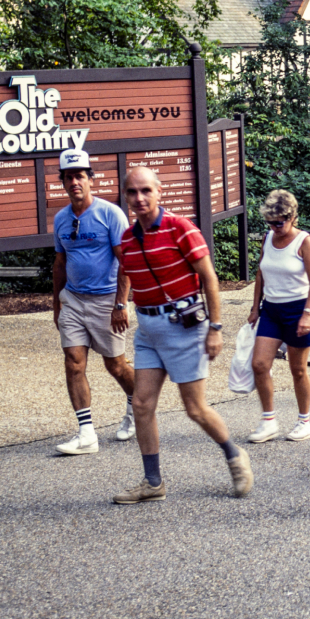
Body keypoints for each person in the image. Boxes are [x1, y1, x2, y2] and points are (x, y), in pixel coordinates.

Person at [110, 166, 251, 504]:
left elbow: (209, 278)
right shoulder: (128, 238)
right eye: (132, 192)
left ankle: (234, 456)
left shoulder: (180, 228)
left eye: (146, 190)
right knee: (142, 404)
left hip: (184, 327)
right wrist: (120, 304)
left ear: (159, 192)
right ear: (125, 197)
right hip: (148, 329)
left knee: (195, 408)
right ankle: (153, 482)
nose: (139, 198)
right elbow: (126, 272)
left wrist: (215, 329)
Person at [50, 149, 137, 456]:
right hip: (73, 299)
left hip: (106, 301)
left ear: (90, 180)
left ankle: (135, 406)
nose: (75, 182)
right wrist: (57, 304)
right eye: (69, 177)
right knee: (73, 362)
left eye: (80, 176)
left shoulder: (109, 214)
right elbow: (59, 264)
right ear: (62, 182)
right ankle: (86, 433)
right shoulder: (61, 219)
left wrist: (120, 304)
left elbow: (125, 262)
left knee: (116, 366)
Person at [244, 190, 310, 443]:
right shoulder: (268, 238)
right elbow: (260, 274)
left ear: (292, 217)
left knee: (297, 370)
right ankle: (268, 421)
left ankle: (304, 421)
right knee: (259, 364)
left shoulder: (305, 242)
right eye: (270, 222)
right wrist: (255, 307)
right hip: (272, 309)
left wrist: (307, 314)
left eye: (280, 222)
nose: (275, 227)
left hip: (298, 309)